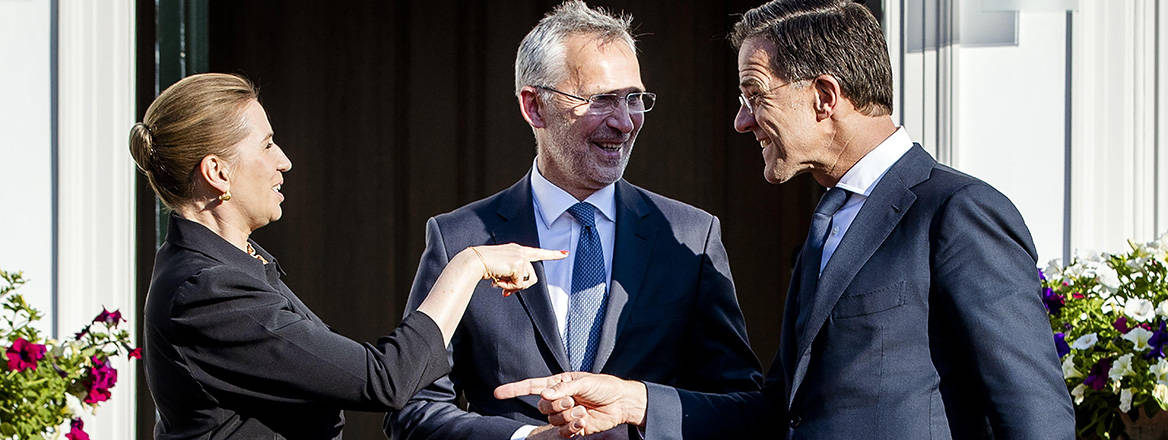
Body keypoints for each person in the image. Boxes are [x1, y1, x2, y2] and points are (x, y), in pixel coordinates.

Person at [493, 1, 1077, 438]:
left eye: (754, 94)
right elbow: (780, 410)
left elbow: (1035, 415)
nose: (742, 122)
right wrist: (634, 402)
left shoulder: (956, 212)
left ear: (824, 96)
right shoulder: (830, 224)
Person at [383, 1, 763, 439]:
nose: (624, 122)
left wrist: (639, 405)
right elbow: (412, 411)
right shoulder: (460, 239)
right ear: (534, 107)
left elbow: (744, 408)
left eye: (634, 98)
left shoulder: (689, 237)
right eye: (601, 100)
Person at [131, 73, 566, 439]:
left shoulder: (237, 263)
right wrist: (470, 264)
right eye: (266, 145)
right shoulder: (207, 289)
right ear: (217, 171)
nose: (284, 161)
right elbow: (386, 381)